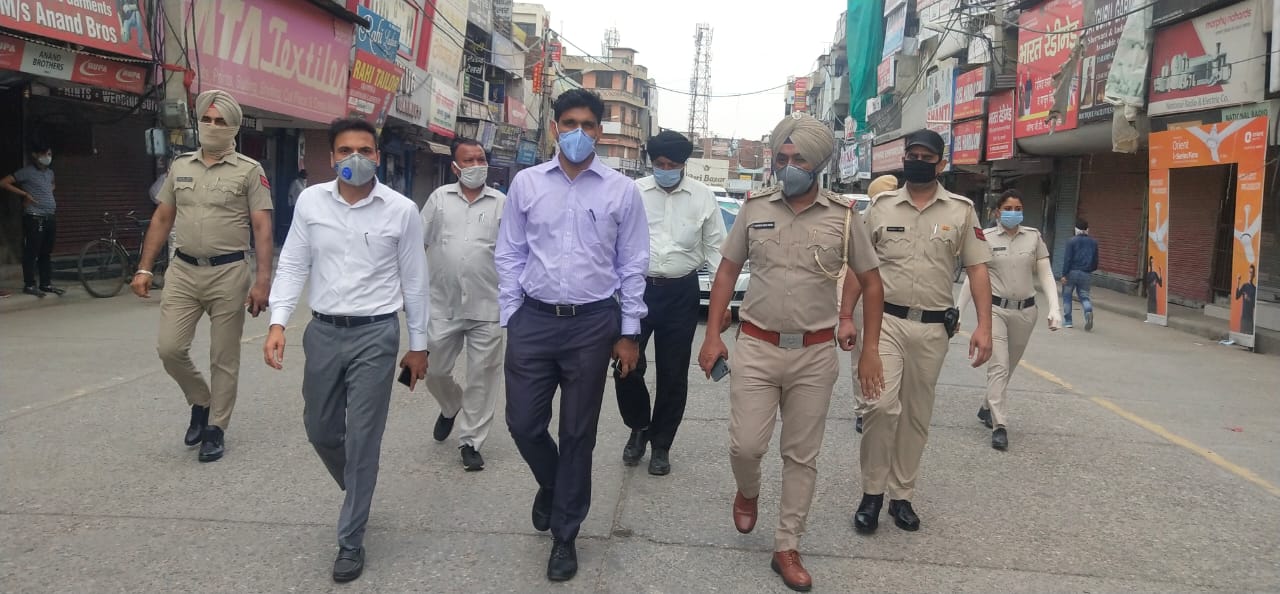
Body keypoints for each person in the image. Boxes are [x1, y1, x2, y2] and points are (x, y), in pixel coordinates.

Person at [698, 113, 886, 592]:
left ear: (818, 163)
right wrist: (713, 335)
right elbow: (726, 272)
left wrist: (869, 350)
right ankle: (748, 490)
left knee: (801, 455)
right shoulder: (754, 208)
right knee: (745, 446)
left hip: (815, 354)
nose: (788, 166)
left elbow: (871, 282)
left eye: (798, 158)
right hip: (756, 347)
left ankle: (787, 545)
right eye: (782, 158)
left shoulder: (845, 216)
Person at [263, 117, 429, 583]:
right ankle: (359, 487)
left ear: (378, 156)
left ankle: (351, 539)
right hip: (322, 331)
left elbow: (416, 281)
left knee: (362, 438)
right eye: (345, 150)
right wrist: (278, 322)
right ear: (331, 156)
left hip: (376, 334)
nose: (355, 158)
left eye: (365, 150)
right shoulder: (311, 201)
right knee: (319, 429)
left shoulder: (401, 210)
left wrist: (419, 346)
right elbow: (293, 262)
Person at [495, 88, 649, 583]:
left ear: (599, 131)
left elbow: (632, 265)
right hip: (534, 320)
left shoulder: (621, 191)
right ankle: (553, 483)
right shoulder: (527, 183)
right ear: (554, 127)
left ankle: (565, 534)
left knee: (578, 433)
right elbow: (510, 253)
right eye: (569, 123)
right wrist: (512, 314)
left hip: (592, 324)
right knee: (523, 424)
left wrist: (628, 332)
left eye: (587, 124)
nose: (577, 132)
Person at [855, 129, 993, 536]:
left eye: (926, 157)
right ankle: (871, 493)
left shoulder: (961, 211)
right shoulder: (881, 208)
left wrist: (984, 327)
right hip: (885, 322)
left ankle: (901, 495)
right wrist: (846, 316)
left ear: (941, 163)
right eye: (911, 155)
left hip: (933, 328)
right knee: (880, 407)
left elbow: (978, 269)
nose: (917, 161)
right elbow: (859, 266)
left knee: (915, 416)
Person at [130, 90, 273, 463]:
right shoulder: (180, 166)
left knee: (223, 356)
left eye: (220, 121)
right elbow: (163, 217)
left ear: (234, 127)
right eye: (206, 119)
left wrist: (262, 281)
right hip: (183, 271)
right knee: (170, 349)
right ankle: (201, 400)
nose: (212, 126)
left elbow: (262, 227)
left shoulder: (250, 171)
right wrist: (144, 267)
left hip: (229, 273)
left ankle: (215, 428)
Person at [615, 130, 726, 476]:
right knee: (625, 365)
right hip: (637, 289)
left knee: (673, 373)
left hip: (681, 292)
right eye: (660, 164)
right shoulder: (633, 192)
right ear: (652, 163)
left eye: (673, 165)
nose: (666, 170)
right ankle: (639, 426)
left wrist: (720, 307)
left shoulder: (703, 197)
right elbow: (614, 242)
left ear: (684, 164)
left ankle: (661, 444)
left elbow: (718, 252)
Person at [421, 139, 506, 471]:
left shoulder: (502, 203)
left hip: (488, 305)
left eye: (480, 159)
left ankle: (471, 441)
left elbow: (515, 253)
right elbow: (417, 242)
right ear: (455, 167)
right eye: (468, 161)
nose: (476, 165)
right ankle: (450, 405)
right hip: (443, 304)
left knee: (482, 377)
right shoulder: (439, 199)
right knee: (434, 370)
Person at [957, 189, 1062, 450]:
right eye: (1008, 209)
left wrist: (1055, 308)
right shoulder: (985, 238)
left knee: (1009, 367)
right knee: (999, 366)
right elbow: (973, 279)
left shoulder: (1033, 237)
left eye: (1018, 209)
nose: (1013, 213)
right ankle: (999, 425)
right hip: (995, 311)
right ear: (997, 212)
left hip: (1026, 312)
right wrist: (958, 310)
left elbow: (1046, 274)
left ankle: (986, 406)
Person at [852, 174, 900, 435]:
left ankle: (884, 399)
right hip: (865, 296)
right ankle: (863, 407)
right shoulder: (866, 220)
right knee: (862, 353)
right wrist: (845, 312)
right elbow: (853, 268)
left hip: (893, 301)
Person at [1, 144, 65, 297]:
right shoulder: (26, 172)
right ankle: (29, 284)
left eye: (50, 154)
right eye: (45, 154)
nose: (48, 157)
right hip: (34, 216)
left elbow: (52, 185)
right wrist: (25, 194)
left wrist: (47, 192)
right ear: (35, 155)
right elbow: (4, 182)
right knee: (32, 251)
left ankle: (46, 284)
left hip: (50, 216)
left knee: (46, 252)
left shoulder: (50, 173)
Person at [1060, 218, 1098, 330]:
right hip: (1086, 273)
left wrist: (1064, 274)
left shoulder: (1071, 241)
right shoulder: (1094, 242)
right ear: (1087, 229)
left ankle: (1068, 321)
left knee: (1067, 296)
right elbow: (1095, 261)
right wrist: (1089, 270)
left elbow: (1067, 259)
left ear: (1076, 229)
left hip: (1071, 272)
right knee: (1084, 296)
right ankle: (1088, 311)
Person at [1236, 264, 1257, 334]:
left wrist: (1248, 299)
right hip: (1243, 318)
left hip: (1250, 319)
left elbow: (1254, 305)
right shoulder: (1244, 286)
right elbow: (1237, 296)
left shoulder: (1254, 289)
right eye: (1250, 272)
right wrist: (1238, 282)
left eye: (1252, 273)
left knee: (1249, 335)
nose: (1251, 274)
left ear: (1254, 275)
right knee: (1242, 335)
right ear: (1248, 273)